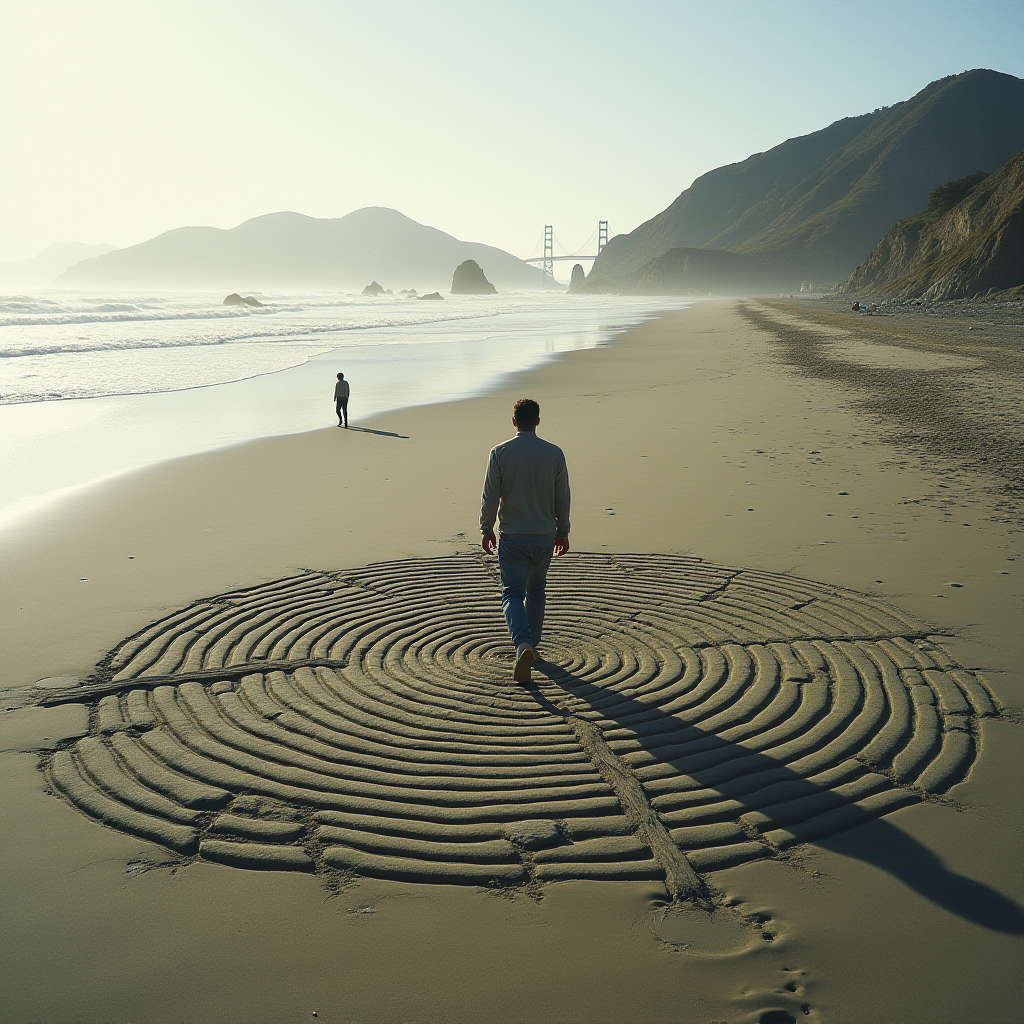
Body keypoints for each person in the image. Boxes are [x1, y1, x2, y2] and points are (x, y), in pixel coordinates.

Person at [480, 398, 570, 684]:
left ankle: (523, 645)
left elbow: (490, 495)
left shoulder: (500, 452)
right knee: (537, 590)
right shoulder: (554, 453)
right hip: (544, 535)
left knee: (512, 594)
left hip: (513, 535)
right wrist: (563, 531)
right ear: (538, 421)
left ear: (514, 421)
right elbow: (562, 497)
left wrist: (486, 527)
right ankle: (533, 646)